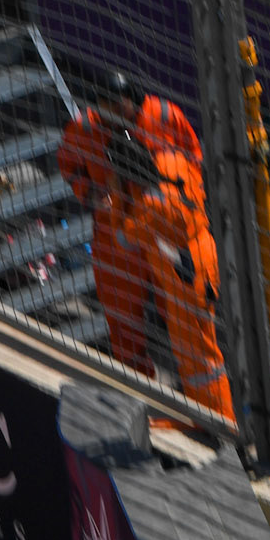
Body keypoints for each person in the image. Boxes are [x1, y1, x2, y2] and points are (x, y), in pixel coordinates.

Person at [58, 71, 206, 377]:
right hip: (116, 234)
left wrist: (182, 202)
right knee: (122, 316)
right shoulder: (85, 127)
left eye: (115, 106)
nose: (110, 114)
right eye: (104, 107)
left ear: (130, 100)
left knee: (182, 316)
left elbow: (193, 158)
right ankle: (138, 384)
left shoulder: (164, 116)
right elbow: (70, 167)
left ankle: (194, 386)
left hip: (163, 231)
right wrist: (92, 194)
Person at [109, 129, 235, 421]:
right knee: (199, 349)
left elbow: (123, 239)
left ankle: (220, 423)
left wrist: (118, 195)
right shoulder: (174, 160)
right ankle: (204, 416)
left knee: (198, 355)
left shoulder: (147, 207)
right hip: (204, 250)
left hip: (185, 275)